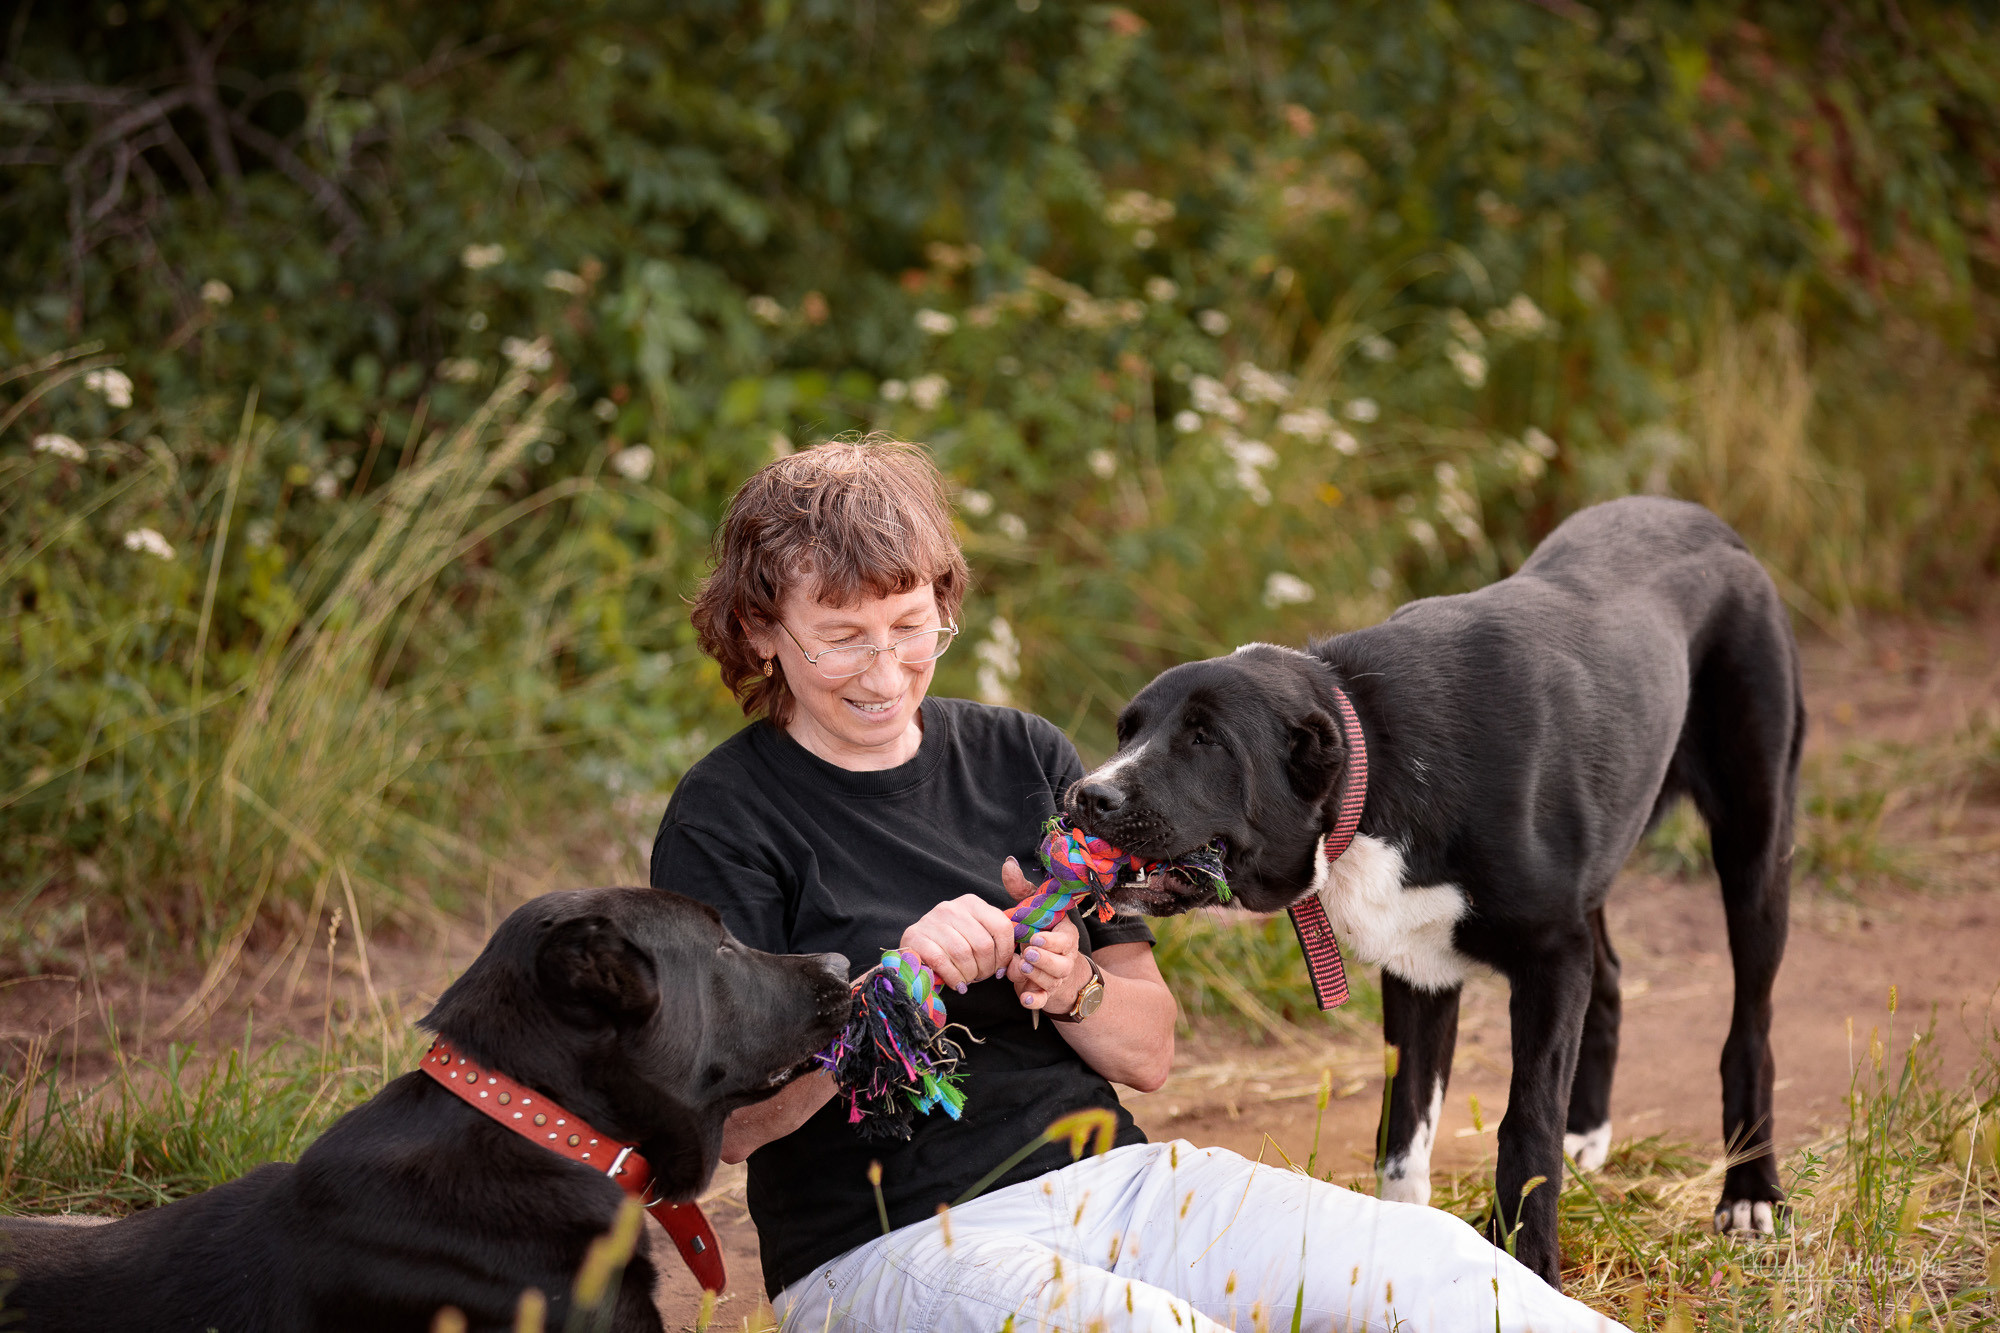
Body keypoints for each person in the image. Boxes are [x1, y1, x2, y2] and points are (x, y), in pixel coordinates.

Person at [650, 438, 1625, 1333]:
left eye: (911, 626)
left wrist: (1071, 983)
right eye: (841, 637)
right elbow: (726, 1131)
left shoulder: (1016, 754)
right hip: (884, 1245)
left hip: (1119, 1183)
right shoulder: (725, 817)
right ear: (760, 629)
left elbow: (1147, 1048)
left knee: (1455, 1277)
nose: (885, 670)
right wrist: (887, 998)